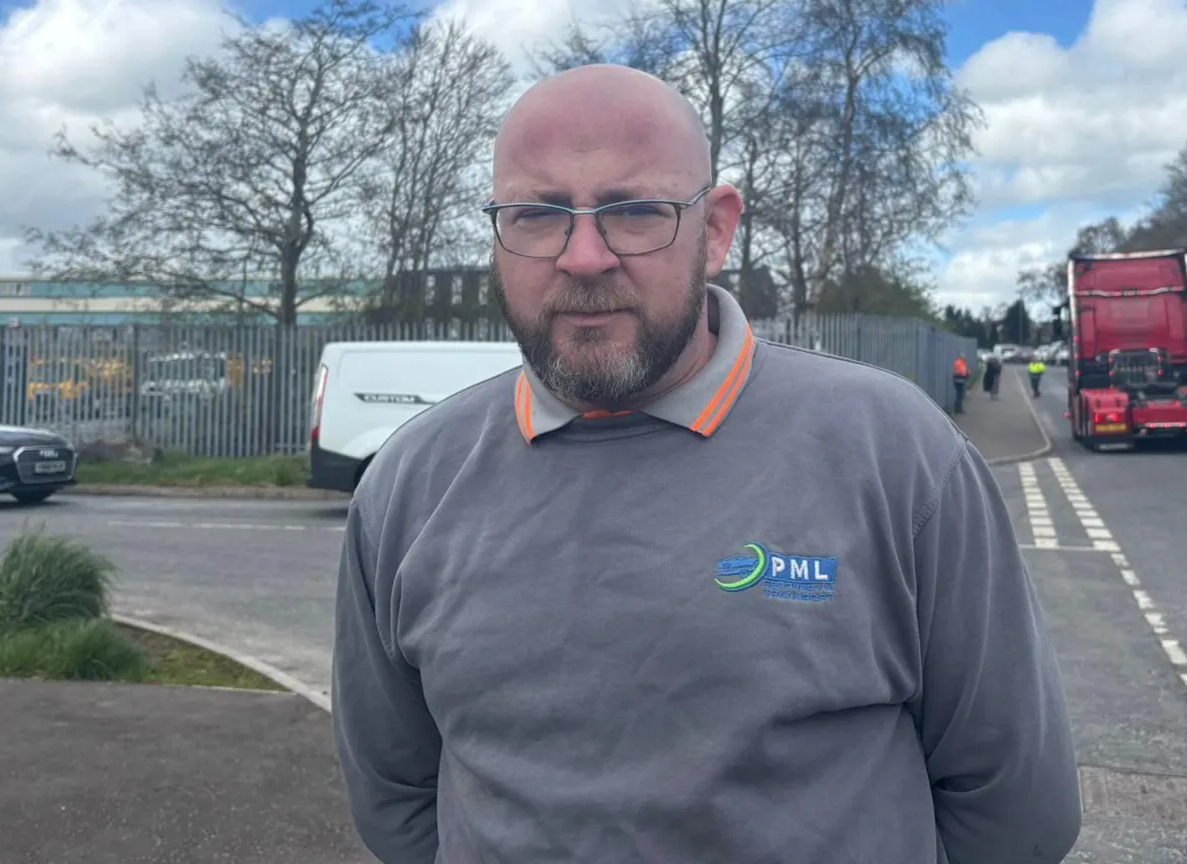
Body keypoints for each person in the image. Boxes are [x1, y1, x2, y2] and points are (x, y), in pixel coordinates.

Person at [330, 63, 1080, 864]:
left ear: (716, 229)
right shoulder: (408, 485)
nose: (585, 257)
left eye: (636, 210)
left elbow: (1014, 811)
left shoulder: (896, 454)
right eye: (539, 214)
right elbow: (398, 799)